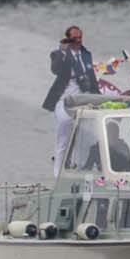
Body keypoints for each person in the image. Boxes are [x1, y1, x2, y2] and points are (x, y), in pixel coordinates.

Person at [44, 26, 99, 173]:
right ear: (68, 38)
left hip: (83, 96)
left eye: (80, 37)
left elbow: (92, 77)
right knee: (65, 124)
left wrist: (98, 98)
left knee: (85, 134)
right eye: (75, 38)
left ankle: (80, 169)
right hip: (64, 97)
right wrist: (63, 51)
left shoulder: (86, 54)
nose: (78, 41)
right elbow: (55, 70)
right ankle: (57, 171)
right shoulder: (58, 54)